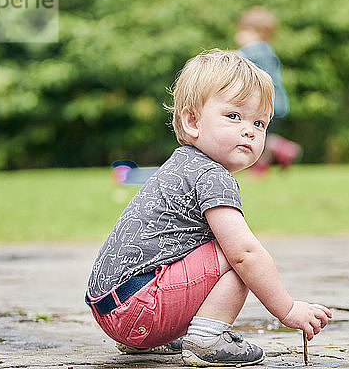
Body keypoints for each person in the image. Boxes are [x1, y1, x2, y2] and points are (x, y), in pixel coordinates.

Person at [85, 49, 332, 367]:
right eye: (234, 116)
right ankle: (206, 339)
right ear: (192, 121)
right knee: (239, 256)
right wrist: (287, 309)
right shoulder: (211, 174)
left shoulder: (182, 164)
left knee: (223, 248)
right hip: (139, 307)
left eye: (260, 123)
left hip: (111, 306)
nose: (249, 130)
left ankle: (149, 340)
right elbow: (245, 255)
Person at [236, 6, 301, 172]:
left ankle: (283, 149)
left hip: (268, 104)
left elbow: (239, 58)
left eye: (243, 31)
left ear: (258, 33)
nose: (238, 36)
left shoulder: (256, 50)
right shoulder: (268, 51)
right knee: (260, 135)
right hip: (277, 103)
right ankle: (262, 166)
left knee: (257, 134)